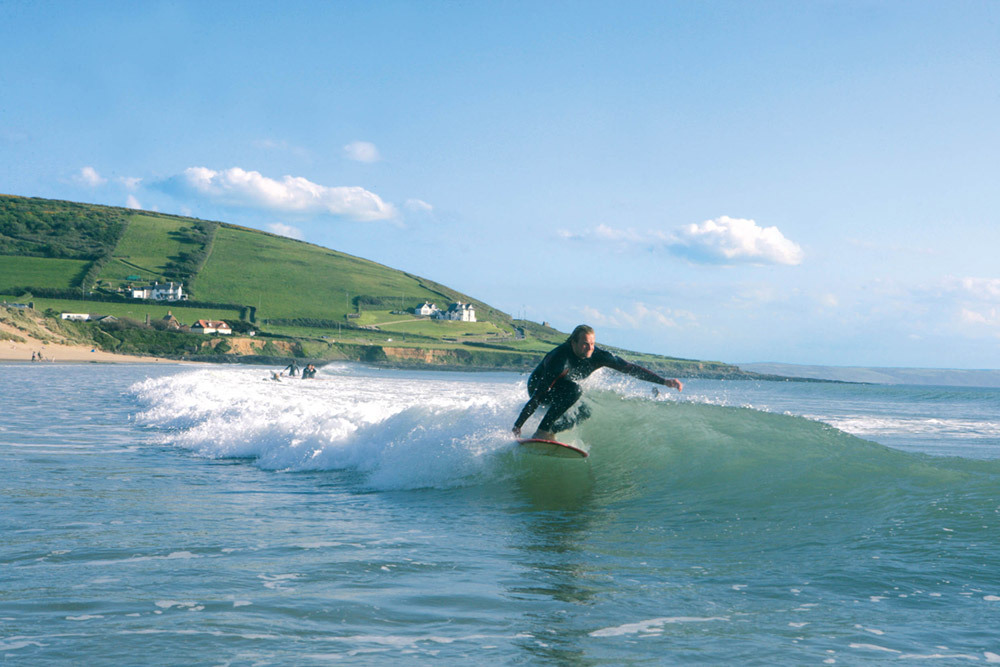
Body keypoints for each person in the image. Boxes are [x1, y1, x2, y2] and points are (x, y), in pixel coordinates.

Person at [512, 324, 683, 440]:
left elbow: (629, 367)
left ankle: (551, 432)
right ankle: (541, 432)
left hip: (564, 387)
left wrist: (664, 381)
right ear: (573, 342)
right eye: (585, 344)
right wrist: (518, 426)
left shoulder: (598, 356)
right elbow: (538, 395)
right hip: (539, 386)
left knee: (584, 412)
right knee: (575, 390)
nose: (590, 348)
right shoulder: (559, 359)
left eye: (592, 344)